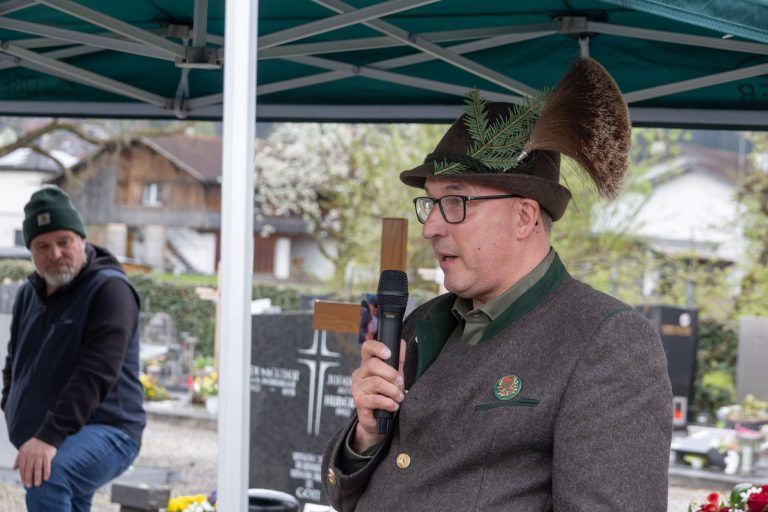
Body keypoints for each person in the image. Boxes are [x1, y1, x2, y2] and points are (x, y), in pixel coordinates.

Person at [322, 58, 672, 511]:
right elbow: (349, 492)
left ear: (524, 216)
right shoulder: (425, 322)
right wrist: (366, 435)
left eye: (455, 202)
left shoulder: (606, 340)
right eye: (430, 204)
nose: (430, 228)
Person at [1, 186, 145, 511]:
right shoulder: (28, 293)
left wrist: (47, 437)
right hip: (56, 432)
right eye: (43, 246)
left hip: (109, 428)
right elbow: (14, 360)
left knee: (48, 478)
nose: (55, 254)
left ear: (81, 239)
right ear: (30, 251)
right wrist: (11, 405)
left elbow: (97, 371)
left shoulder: (110, 290)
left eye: (63, 241)